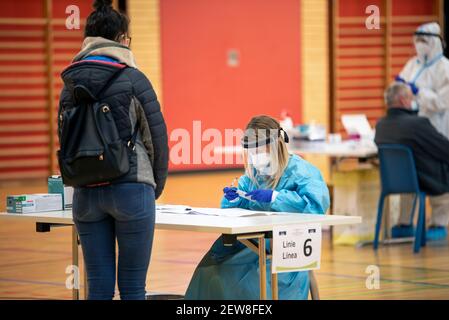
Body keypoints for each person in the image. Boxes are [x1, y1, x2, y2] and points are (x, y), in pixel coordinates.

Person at [58, 0, 169, 299]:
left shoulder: (68, 84)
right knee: (133, 287)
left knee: (99, 287)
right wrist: (153, 187)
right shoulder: (133, 79)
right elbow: (156, 138)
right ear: (121, 39)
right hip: (131, 189)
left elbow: (65, 141)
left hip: (85, 193)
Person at [185, 115, 330, 300]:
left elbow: (317, 205)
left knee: (240, 280)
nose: (255, 155)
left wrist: (276, 197)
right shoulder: (255, 174)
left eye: (259, 148)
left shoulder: (300, 171)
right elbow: (240, 205)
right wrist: (234, 200)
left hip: (283, 247)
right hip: (251, 244)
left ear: (275, 145)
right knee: (209, 269)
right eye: (252, 150)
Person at [394, 22, 449, 241]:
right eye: (417, 41)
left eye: (424, 41)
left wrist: (419, 93)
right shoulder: (412, 65)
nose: (420, 45)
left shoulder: (445, 68)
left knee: (437, 176)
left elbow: (441, 102)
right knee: (408, 175)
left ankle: (438, 222)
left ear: (435, 42)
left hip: (436, 131)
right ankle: (405, 221)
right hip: (412, 132)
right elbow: (401, 86)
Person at [375, 83, 449, 241]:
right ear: (403, 100)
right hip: (424, 180)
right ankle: (438, 224)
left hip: (395, 182)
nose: (413, 101)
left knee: (410, 178)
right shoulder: (417, 124)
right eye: (410, 97)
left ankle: (404, 224)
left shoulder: (380, 125)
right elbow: (444, 148)